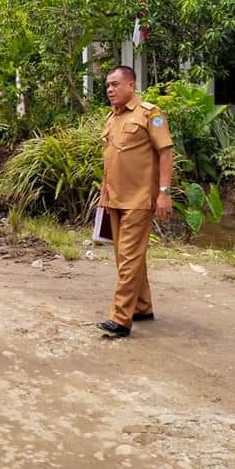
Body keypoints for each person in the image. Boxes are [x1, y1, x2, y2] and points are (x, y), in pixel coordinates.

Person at [96, 66, 173, 339]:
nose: (110, 89)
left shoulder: (150, 115)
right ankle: (141, 306)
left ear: (131, 85)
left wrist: (164, 192)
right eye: (107, 85)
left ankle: (120, 319)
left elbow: (165, 152)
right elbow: (111, 159)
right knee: (125, 258)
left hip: (140, 199)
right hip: (115, 199)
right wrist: (104, 195)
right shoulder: (112, 118)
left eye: (115, 84)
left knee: (128, 258)